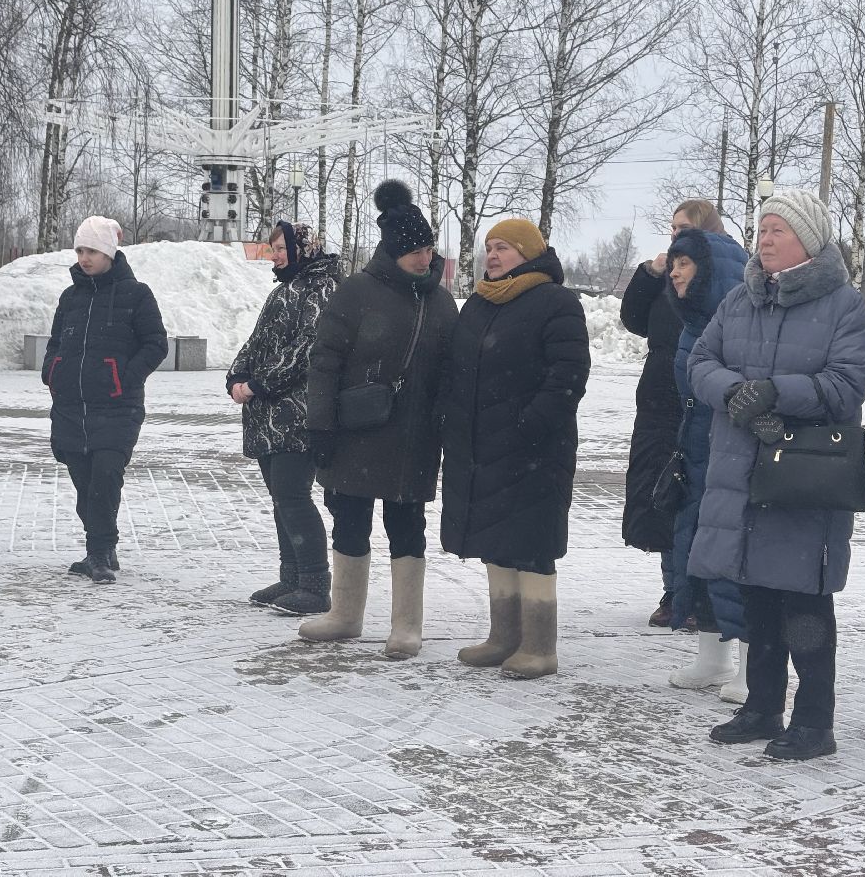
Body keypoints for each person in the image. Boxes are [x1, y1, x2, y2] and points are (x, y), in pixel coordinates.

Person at [688, 192, 865, 761]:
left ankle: (815, 722)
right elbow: (700, 362)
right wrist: (735, 393)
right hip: (744, 474)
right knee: (757, 593)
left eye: (777, 230)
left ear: (808, 241)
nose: (764, 239)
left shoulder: (843, 305)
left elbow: (846, 383)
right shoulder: (740, 301)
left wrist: (775, 392)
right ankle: (762, 707)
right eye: (762, 229)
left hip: (804, 477)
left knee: (804, 603)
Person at [298, 181, 459, 658]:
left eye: (428, 248)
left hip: (413, 437)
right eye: (414, 250)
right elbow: (323, 363)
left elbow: (452, 368)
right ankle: (345, 615)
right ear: (392, 250)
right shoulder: (356, 292)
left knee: (407, 527)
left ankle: (406, 626)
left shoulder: (442, 301)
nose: (424, 257)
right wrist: (319, 427)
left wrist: (446, 418)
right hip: (355, 433)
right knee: (348, 521)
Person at [441, 219, 590, 679]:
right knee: (496, 543)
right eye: (489, 247)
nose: (494, 255)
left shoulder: (556, 302)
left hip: (534, 448)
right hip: (482, 445)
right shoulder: (480, 304)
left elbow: (568, 374)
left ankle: (540, 647)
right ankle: (503, 637)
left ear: (527, 252)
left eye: (503, 247)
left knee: (531, 545)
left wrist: (530, 423)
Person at [43, 217, 168, 583]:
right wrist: (53, 371)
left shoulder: (137, 294)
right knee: (84, 484)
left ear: (109, 252)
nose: (84, 258)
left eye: (92, 251)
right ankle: (104, 545)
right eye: (80, 250)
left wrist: (123, 379)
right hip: (71, 407)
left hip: (117, 407)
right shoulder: (70, 297)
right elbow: (54, 343)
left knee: (105, 478)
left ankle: (97, 553)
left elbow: (155, 344)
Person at [227, 221, 341, 615]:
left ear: (302, 248)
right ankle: (291, 577)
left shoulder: (321, 287)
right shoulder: (283, 290)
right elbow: (256, 342)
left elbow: (309, 345)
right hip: (268, 414)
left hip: (300, 412)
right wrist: (237, 376)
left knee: (293, 496)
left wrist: (258, 383)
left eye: (280, 248)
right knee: (281, 499)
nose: (274, 255)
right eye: (273, 248)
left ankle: (314, 584)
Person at [620, 200, 724, 628]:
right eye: (673, 229)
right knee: (665, 493)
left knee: (701, 498)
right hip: (660, 394)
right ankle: (672, 590)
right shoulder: (672, 274)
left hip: (700, 392)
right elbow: (633, 319)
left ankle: (702, 595)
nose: (676, 236)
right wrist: (649, 273)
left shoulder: (718, 276)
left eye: (685, 228)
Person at [661, 223, 750, 699]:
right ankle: (712, 657)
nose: (675, 272)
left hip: (734, 447)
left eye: (685, 263)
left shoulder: (742, 320)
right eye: (673, 263)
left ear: (710, 272)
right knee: (699, 547)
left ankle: (753, 667)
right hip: (696, 445)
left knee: (740, 554)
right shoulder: (695, 320)